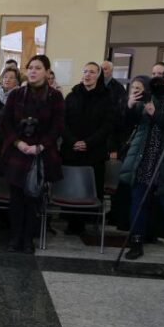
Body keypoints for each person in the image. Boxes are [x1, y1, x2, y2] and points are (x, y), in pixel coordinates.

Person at [120, 64, 164, 263]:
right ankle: (135, 243)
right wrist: (130, 106)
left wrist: (154, 113)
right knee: (138, 201)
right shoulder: (151, 97)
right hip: (145, 156)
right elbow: (130, 123)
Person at [0, 54, 64, 253]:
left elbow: (57, 126)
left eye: (38, 68)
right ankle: (15, 238)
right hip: (17, 152)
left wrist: (40, 146)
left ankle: (28, 239)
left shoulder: (55, 96)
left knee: (33, 199)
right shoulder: (17, 94)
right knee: (16, 199)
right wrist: (18, 143)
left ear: (46, 72)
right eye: (30, 68)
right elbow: (5, 123)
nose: (33, 71)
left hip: (40, 153)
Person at [61, 62, 116, 235]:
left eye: (92, 72)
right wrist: (73, 141)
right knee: (71, 188)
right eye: (85, 71)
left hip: (94, 151)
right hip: (72, 149)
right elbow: (62, 122)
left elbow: (108, 125)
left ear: (98, 76)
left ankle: (88, 223)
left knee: (90, 188)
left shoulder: (107, 97)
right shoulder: (72, 96)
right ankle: (71, 223)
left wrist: (88, 143)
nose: (88, 75)